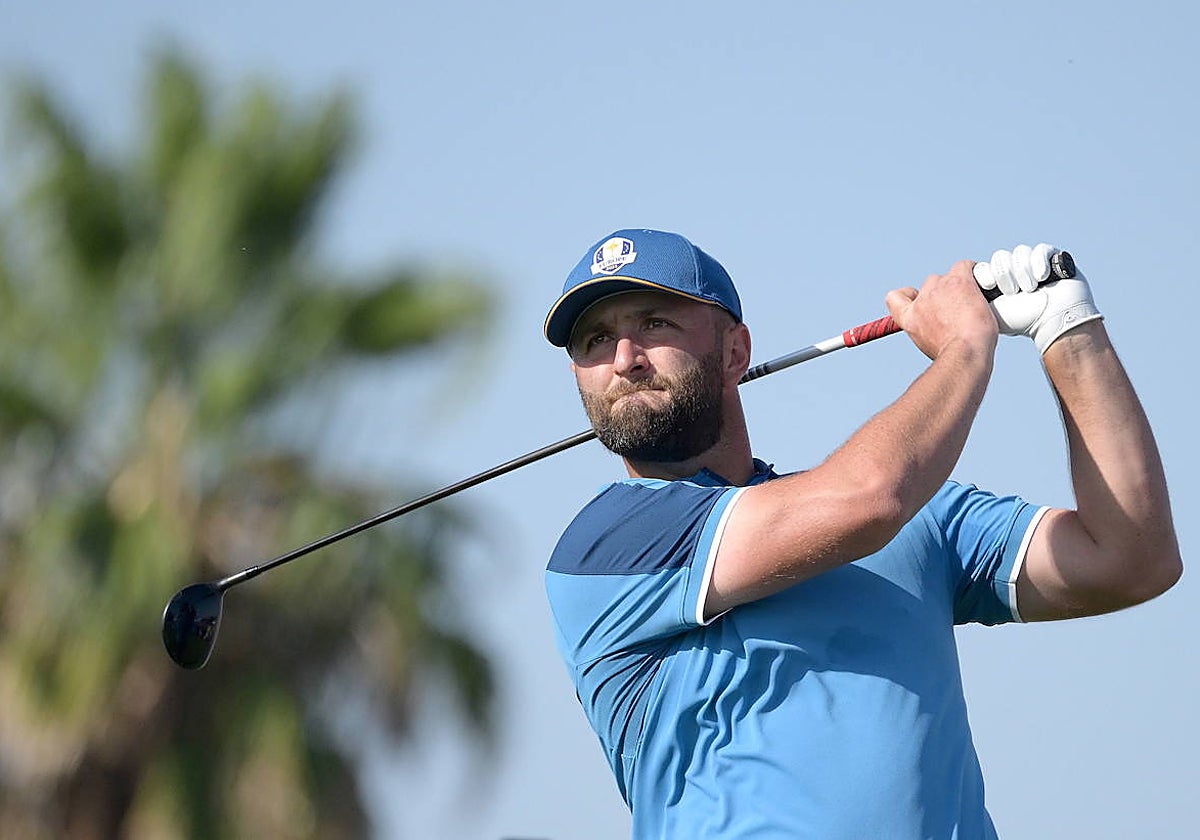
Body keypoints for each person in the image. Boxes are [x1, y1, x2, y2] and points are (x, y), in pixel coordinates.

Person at [541, 228, 1181, 839]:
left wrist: (1067, 329)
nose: (623, 360)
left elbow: (1129, 559)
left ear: (735, 351)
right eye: (595, 341)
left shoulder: (920, 517)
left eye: (654, 324)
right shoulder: (603, 551)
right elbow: (868, 498)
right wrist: (964, 347)